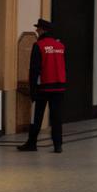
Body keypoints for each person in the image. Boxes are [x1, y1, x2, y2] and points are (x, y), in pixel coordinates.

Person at [18, 19, 67, 152]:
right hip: (59, 87)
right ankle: (58, 145)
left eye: (38, 29)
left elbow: (34, 70)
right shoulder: (60, 45)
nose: (36, 31)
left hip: (43, 87)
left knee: (37, 116)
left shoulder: (39, 45)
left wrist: (32, 90)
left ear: (43, 30)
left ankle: (32, 143)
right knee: (56, 117)